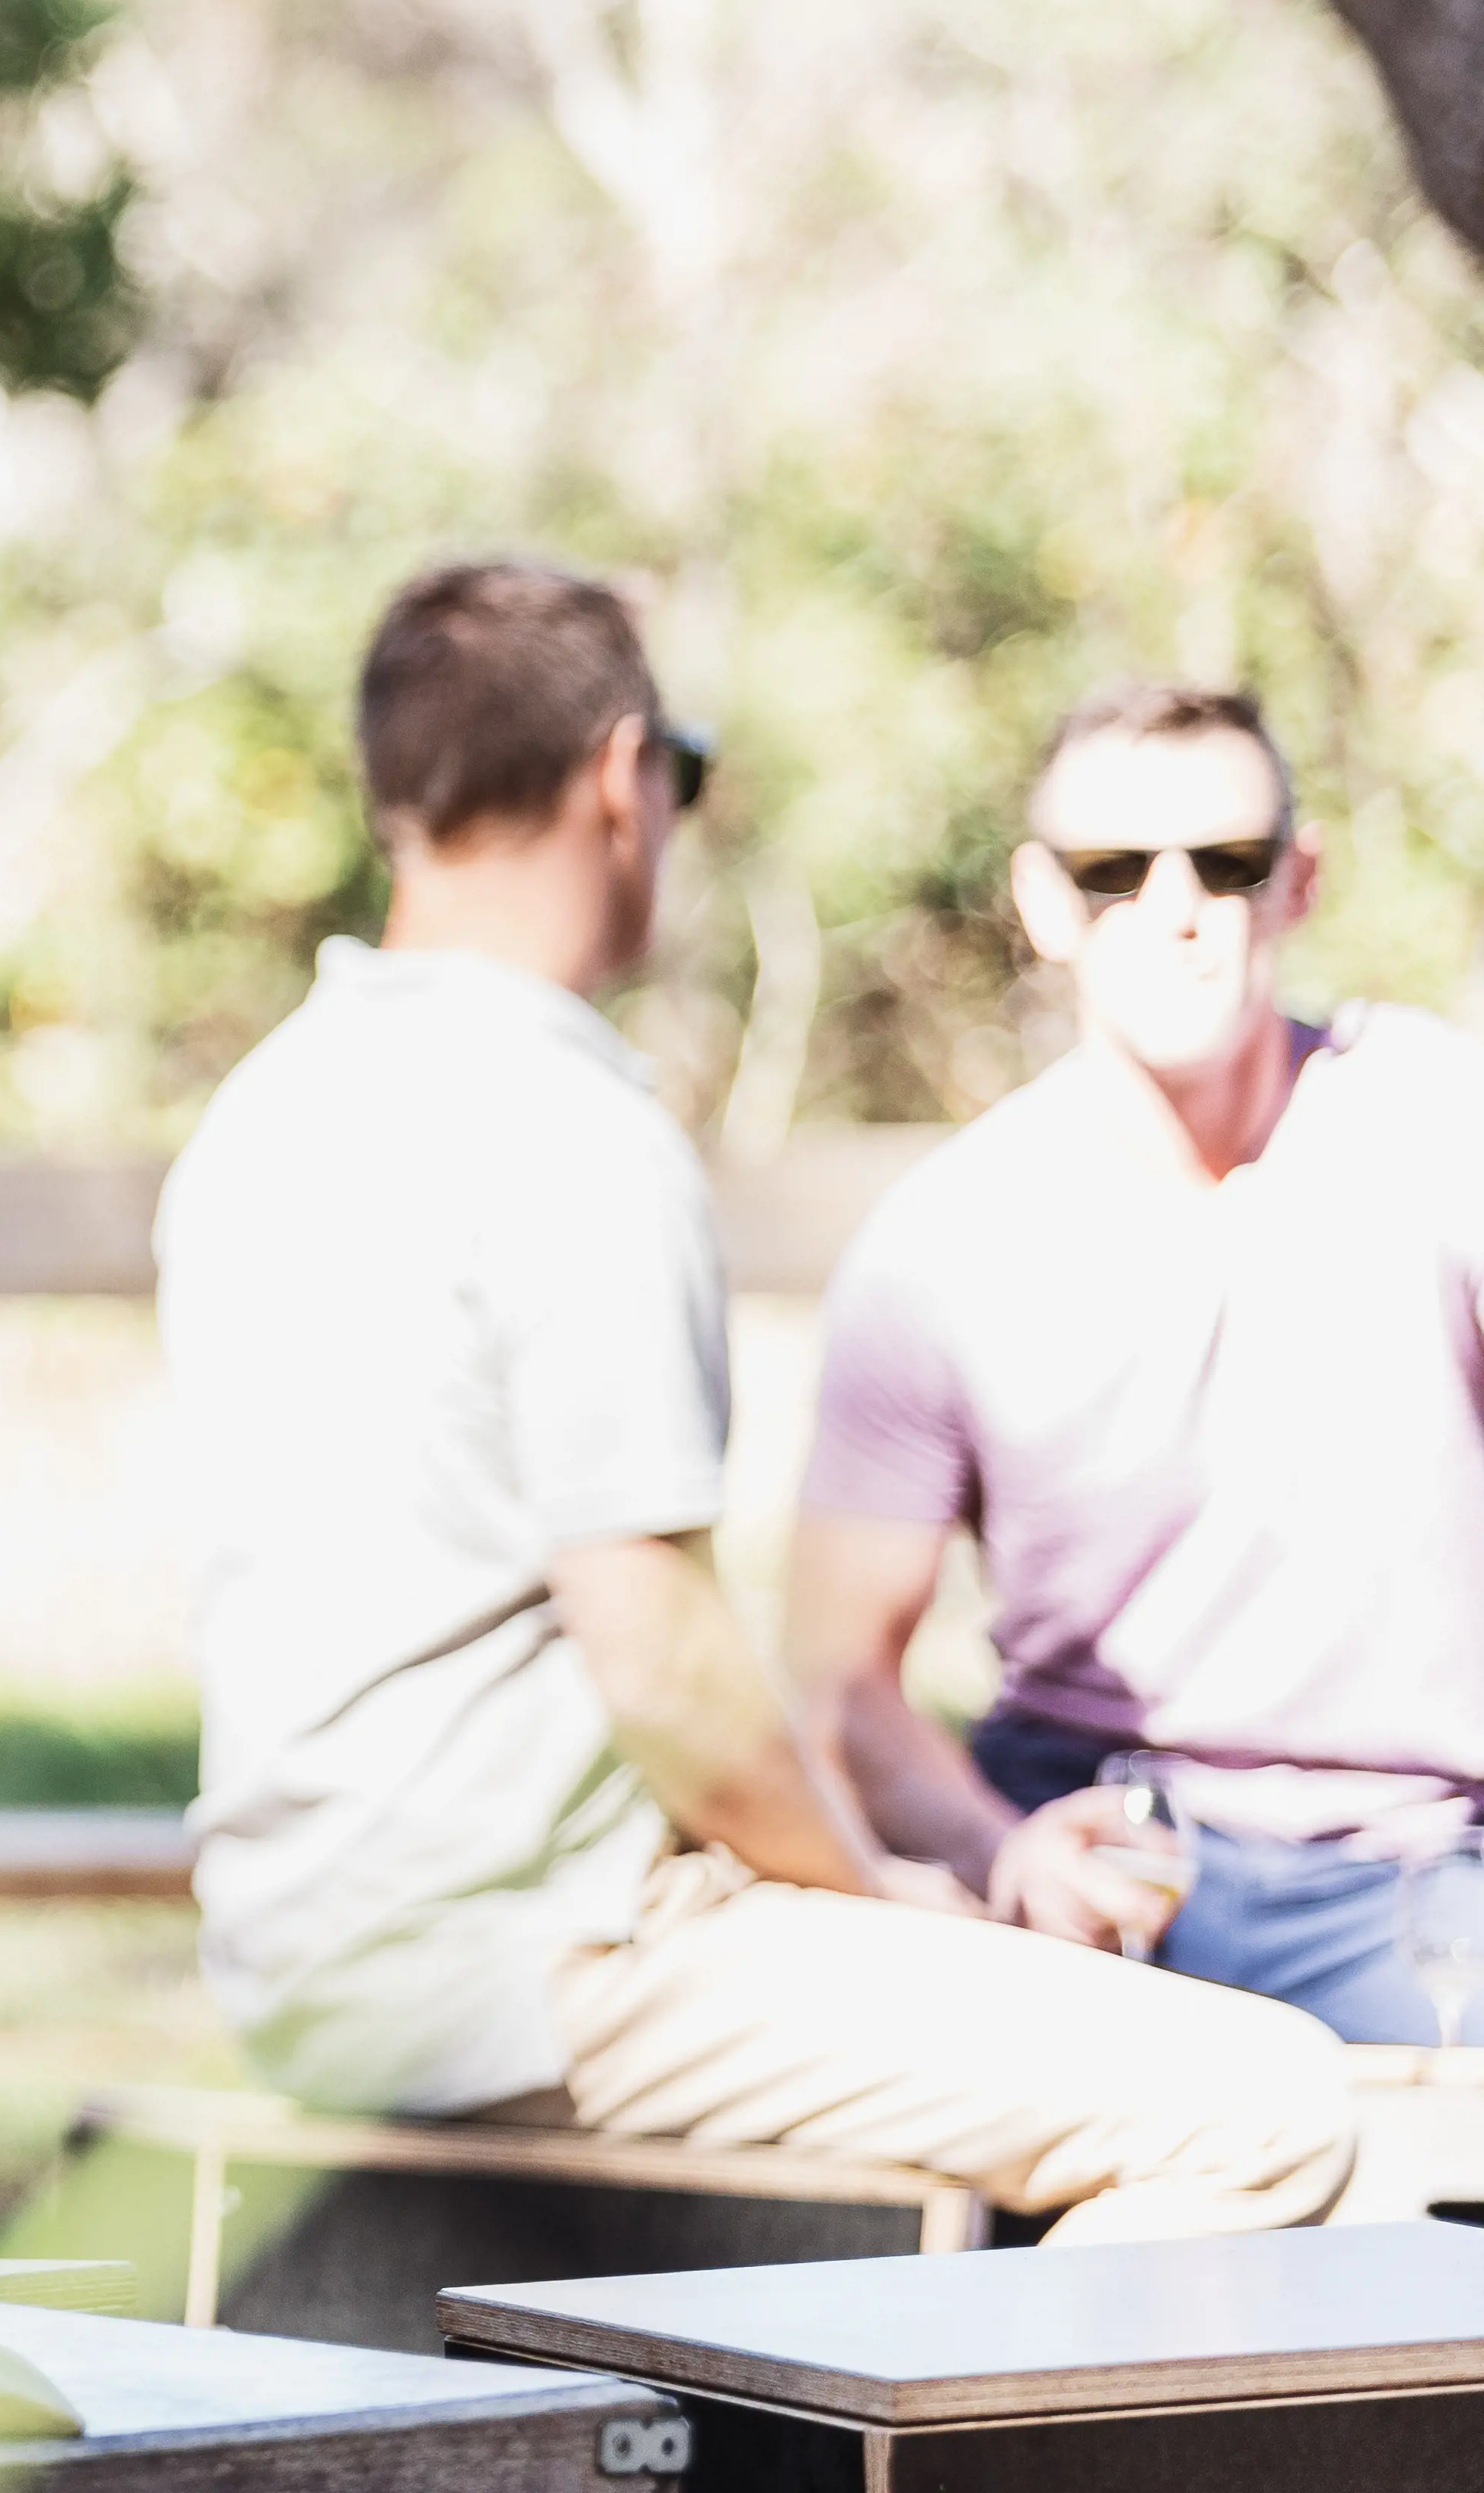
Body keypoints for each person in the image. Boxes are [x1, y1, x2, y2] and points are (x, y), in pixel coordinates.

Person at [163, 561, 1351, 2239]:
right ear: (618, 774)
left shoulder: (266, 1112)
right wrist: (881, 1899)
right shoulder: (567, 1127)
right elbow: (663, 1662)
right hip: (543, 1961)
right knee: (1265, 2103)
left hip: (302, 1946)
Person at [785, 682, 1484, 2042]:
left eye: (1228, 864)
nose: (1178, 910)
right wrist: (1001, 1853)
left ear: (1303, 879)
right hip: (1095, 1847)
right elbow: (835, 1683)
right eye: (1116, 873)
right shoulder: (942, 1243)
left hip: (1426, 1863)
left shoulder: (1445, 1133)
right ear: (1044, 904)